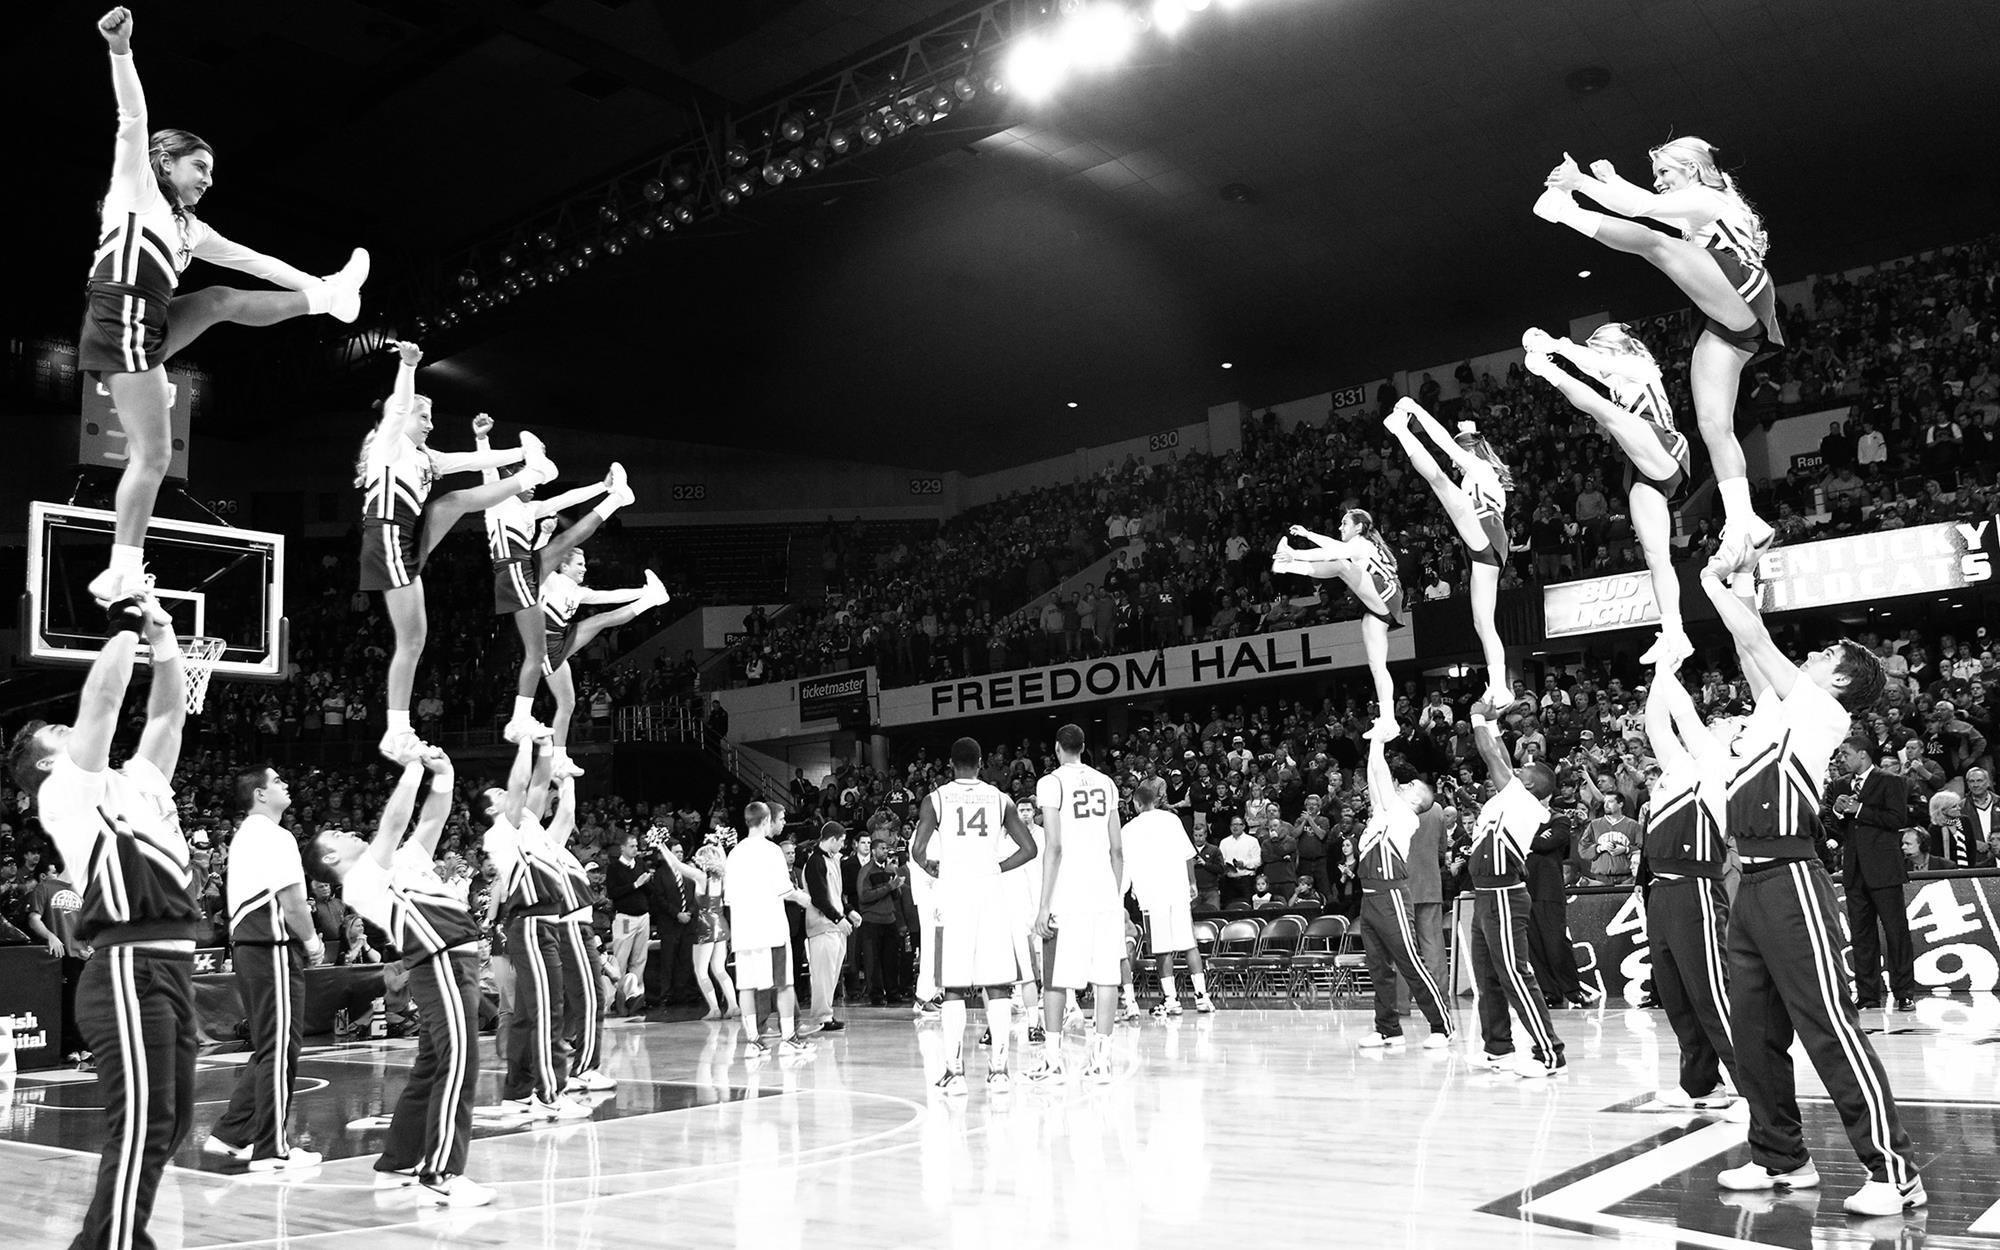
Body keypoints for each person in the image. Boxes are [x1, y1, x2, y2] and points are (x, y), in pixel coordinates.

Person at [79, 7, 370, 608]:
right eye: (200, 167)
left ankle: (329, 296)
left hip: (148, 321)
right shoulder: (135, 186)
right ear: (166, 163)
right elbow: (133, 116)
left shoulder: (191, 228)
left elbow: (256, 261)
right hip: (118, 318)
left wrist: (323, 285)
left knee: (218, 299)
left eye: (212, 171)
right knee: (154, 454)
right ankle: (121, 569)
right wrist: (121, 50)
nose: (209, 179)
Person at [1698, 549, 1923, 1216]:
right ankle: (1781, 1157)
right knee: (1754, 1032)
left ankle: (1894, 1169)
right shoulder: (1780, 708)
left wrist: (1712, 583)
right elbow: (1749, 652)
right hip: (1748, 880)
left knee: (1828, 1026)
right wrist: (1744, 581)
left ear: (1839, 682)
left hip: (1793, 878)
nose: (1813, 655)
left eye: (1825, 654)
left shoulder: (1823, 717)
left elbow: (1755, 640)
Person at [7, 591, 197, 1249]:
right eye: (55, 734)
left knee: (169, 1125)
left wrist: (165, 636)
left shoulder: (138, 781)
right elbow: (105, 703)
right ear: (42, 765)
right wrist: (121, 621)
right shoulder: (64, 793)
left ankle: (104, 1240)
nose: (70, 729)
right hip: (127, 967)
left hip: (174, 964)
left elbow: (169, 712)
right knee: (144, 1123)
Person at [1537, 140, 1781, 570]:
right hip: (1728, 318)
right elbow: (1642, 200)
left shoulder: (1710, 197)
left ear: (1690, 168)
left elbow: (1643, 208)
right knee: (1712, 424)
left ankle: (1563, 212)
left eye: (1665, 173)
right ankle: (1745, 520)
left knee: (1657, 246)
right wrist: (1610, 183)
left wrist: (1579, 186)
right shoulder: (1699, 205)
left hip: (1740, 288)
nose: (1659, 181)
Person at [307, 748, 493, 1206]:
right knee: (458, 1063)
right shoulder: (361, 880)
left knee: (432, 1067)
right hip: (441, 962)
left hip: (454, 962)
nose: (349, 831)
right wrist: (410, 766)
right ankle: (444, 1173)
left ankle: (397, 1164)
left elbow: (428, 822)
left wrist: (444, 774)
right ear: (331, 855)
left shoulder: (394, 863)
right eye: (339, 832)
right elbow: (392, 823)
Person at [357, 343, 556, 762]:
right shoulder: (389, 445)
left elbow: (467, 461)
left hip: (407, 537)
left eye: (430, 417)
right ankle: (397, 731)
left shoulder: (426, 457)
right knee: (453, 505)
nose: (429, 424)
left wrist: (522, 452)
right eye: (423, 416)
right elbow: (398, 408)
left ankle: (532, 472)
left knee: (416, 638)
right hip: (388, 534)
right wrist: (408, 367)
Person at [1522, 324, 1694, 665]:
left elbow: (1591, 362)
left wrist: (1553, 348)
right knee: (1655, 556)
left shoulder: (1642, 368)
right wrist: (1558, 349)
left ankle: (1549, 374)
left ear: (1618, 348)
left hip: (1664, 445)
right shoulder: (1616, 378)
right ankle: (1675, 633)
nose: (1598, 358)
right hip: (1643, 471)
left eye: (1601, 350)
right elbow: (1592, 365)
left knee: (1607, 414)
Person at [476, 419, 635, 744]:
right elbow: (488, 469)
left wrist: (601, 485)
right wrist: (482, 437)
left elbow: (565, 498)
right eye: (529, 478)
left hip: (526, 568)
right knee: (567, 542)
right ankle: (520, 719)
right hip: (511, 570)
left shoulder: (532, 508)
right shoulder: (497, 499)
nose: (534, 485)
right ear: (512, 480)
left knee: (570, 537)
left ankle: (615, 496)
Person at [1635, 667, 1742, 1114]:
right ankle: (1701, 1084)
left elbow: (1683, 715)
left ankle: (1757, 1089)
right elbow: (1657, 724)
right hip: (1661, 890)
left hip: (1696, 886)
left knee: (1712, 993)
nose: (1721, 722)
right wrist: (1662, 673)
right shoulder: (1678, 769)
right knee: (1676, 995)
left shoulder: (1720, 767)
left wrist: (1671, 660)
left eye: (1732, 722)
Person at [206, 767, 324, 1170]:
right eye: (278, 781)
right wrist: (312, 942)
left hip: (250, 948)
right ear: (259, 794)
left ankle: (231, 1133)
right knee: (280, 1049)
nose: (286, 784)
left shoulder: (246, 835)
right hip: (270, 947)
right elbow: (293, 902)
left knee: (271, 1046)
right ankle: (272, 1148)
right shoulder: (275, 835)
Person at [910, 739, 1038, 1094]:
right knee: (996, 983)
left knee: (953, 985)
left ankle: (955, 1072)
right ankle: (999, 1071)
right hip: (991, 893)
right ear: (980, 763)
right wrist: (997, 867)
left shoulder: (935, 799)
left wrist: (933, 869)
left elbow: (918, 850)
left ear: (951, 764)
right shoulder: (1002, 799)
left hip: (954, 894)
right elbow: (1029, 849)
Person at [480, 734, 590, 1118]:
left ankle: (517, 1091)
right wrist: (526, 742)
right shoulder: (502, 832)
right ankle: (552, 1092)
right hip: (529, 924)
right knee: (549, 1010)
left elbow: (540, 785)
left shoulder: (530, 830)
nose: (509, 796)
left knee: (529, 1014)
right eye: (499, 795)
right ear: (494, 809)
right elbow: (521, 784)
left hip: (542, 925)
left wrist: (548, 751)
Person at [1383, 398, 1517, 710]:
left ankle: (1401, 430)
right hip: (1487, 547)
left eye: (1460, 454)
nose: (1456, 461)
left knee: (1440, 482)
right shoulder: (1478, 472)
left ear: (1469, 450)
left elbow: (1443, 441)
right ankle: (1499, 686)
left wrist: (1416, 408)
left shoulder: (1479, 467)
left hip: (1487, 526)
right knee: (1482, 622)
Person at [1464, 697, 1566, 1077]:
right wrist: (1493, 724)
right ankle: (1499, 1050)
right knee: (1488, 976)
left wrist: (1477, 717)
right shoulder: (1514, 795)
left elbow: (1494, 759)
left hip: (1505, 895)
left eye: (1523, 771)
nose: (1516, 769)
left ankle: (1550, 1052)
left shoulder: (1524, 802)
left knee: (1514, 974)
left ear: (1534, 785)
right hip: (1485, 895)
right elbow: (1502, 757)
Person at [1029, 724, 1126, 1084]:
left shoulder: (1051, 782)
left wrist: (1043, 905)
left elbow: (1053, 847)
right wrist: (1114, 897)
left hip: (1067, 893)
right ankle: (1101, 1060)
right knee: (1106, 977)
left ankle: (1053, 1062)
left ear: (1057, 748)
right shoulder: (1107, 783)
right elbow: (1117, 850)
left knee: (1055, 979)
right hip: (1103, 892)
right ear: (1083, 748)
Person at [1352, 734, 1455, 1050]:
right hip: (1369, 896)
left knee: (1410, 960)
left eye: (1410, 786)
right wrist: (1373, 745)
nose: (1403, 785)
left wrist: (1380, 743)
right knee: (1378, 967)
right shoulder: (1384, 811)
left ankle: (1442, 1025)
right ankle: (1388, 1028)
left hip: (1392, 894)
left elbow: (1381, 775)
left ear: (1414, 799)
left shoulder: (1403, 815)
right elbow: (1374, 776)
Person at [535, 548, 670, 776]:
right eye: (580, 564)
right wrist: (545, 536)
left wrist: (642, 590)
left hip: (559, 643)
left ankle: (559, 757)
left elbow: (612, 595)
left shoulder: (578, 592)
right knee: (599, 621)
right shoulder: (551, 580)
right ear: (564, 566)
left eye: (584, 563)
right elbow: (538, 560)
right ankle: (653, 599)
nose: (585, 568)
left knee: (567, 703)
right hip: (544, 647)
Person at [1272, 514, 1406, 739]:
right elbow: (1334, 547)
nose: (1339, 526)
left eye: (1345, 523)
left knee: (1341, 566)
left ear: (1359, 527)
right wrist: (1308, 534)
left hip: (1387, 591)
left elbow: (1333, 553)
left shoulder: (1362, 543)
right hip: (1376, 603)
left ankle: (1288, 565)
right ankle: (1389, 720)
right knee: (1377, 666)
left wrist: (1294, 554)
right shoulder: (1357, 544)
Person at [1825, 738, 1914, 1012]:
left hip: (1884, 869)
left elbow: (1898, 820)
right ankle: (1868, 996)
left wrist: (1859, 810)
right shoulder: (1838, 786)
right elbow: (1832, 829)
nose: (1841, 758)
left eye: (1845, 753)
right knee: (1862, 936)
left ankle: (1904, 993)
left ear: (1862, 755)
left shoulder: (1891, 781)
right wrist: (1838, 813)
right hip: (1854, 870)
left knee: (1895, 931)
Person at [726, 802, 815, 1060]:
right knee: (784, 983)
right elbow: (785, 889)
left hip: (744, 932)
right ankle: (789, 1038)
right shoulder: (771, 850)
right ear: (765, 821)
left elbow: (729, 898)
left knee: (747, 986)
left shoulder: (735, 853)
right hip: (771, 930)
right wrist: (802, 898)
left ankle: (753, 1042)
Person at [1121, 778, 1216, 1018]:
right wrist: (1192, 882)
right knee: (1189, 943)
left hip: (1152, 895)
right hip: (1177, 890)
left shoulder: (1129, 829)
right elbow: (1188, 855)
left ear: (1136, 803)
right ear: (1155, 800)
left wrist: (1125, 889)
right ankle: (1202, 997)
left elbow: (1125, 864)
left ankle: (1172, 1000)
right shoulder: (1172, 820)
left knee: (1162, 948)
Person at [544, 774, 614, 1091]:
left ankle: (556, 1062)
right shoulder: (542, 841)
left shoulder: (560, 849)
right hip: (570, 925)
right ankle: (584, 1068)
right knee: (590, 997)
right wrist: (564, 781)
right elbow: (567, 814)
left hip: (575, 926)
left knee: (572, 1002)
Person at [663, 842, 739, 1019]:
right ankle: (733, 1006)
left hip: (705, 924)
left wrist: (662, 847)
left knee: (701, 970)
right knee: (720, 969)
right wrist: (720, 846)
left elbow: (676, 865)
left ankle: (713, 1009)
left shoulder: (700, 876)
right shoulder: (723, 877)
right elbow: (724, 861)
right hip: (721, 923)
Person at [801, 821, 861, 1033]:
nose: (843, 846)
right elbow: (819, 898)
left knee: (833, 973)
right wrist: (838, 918)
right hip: (822, 925)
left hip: (833, 925)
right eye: (842, 841)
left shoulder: (833, 861)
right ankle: (820, 1017)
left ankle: (826, 1014)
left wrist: (849, 910)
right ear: (833, 839)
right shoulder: (815, 862)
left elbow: (835, 894)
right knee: (823, 974)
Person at [603, 832, 654, 1016]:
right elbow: (613, 893)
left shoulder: (640, 864)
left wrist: (647, 881)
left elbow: (649, 890)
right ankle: (617, 999)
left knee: (640, 959)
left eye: (636, 846)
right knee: (620, 960)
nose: (635, 849)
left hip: (643, 917)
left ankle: (636, 997)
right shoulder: (614, 868)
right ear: (622, 848)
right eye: (632, 846)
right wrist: (635, 884)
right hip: (625, 918)